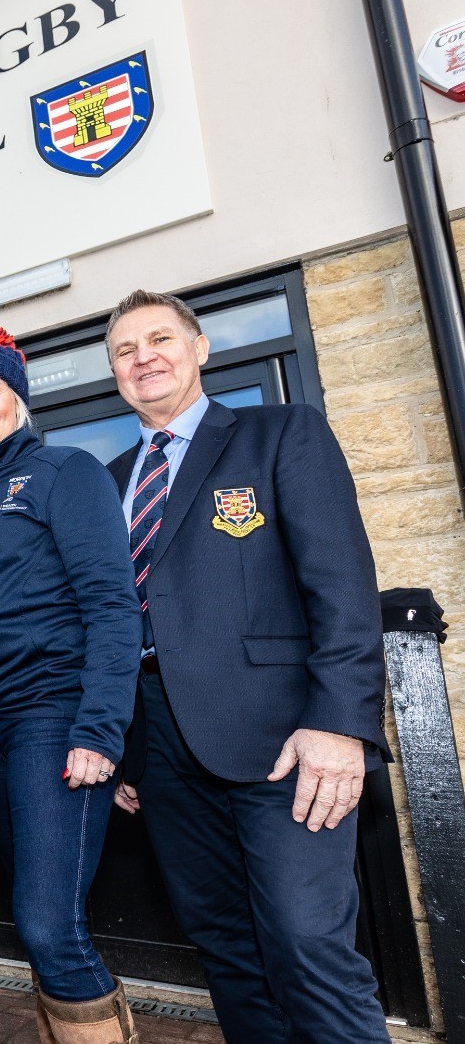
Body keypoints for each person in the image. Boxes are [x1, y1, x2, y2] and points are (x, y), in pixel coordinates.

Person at [104, 289, 391, 1043]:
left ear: (200, 348)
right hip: (161, 747)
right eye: (126, 351)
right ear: (115, 374)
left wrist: (339, 721)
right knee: (225, 946)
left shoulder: (280, 434)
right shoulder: (108, 481)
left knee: (305, 942)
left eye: (160, 339)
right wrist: (124, 744)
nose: (145, 358)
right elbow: (110, 621)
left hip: (283, 738)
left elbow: (341, 586)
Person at [0, 326, 142, 1042]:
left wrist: (100, 729)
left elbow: (114, 606)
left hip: (51, 719)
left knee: (49, 924)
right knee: (40, 921)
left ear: (19, 400)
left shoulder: (67, 471)